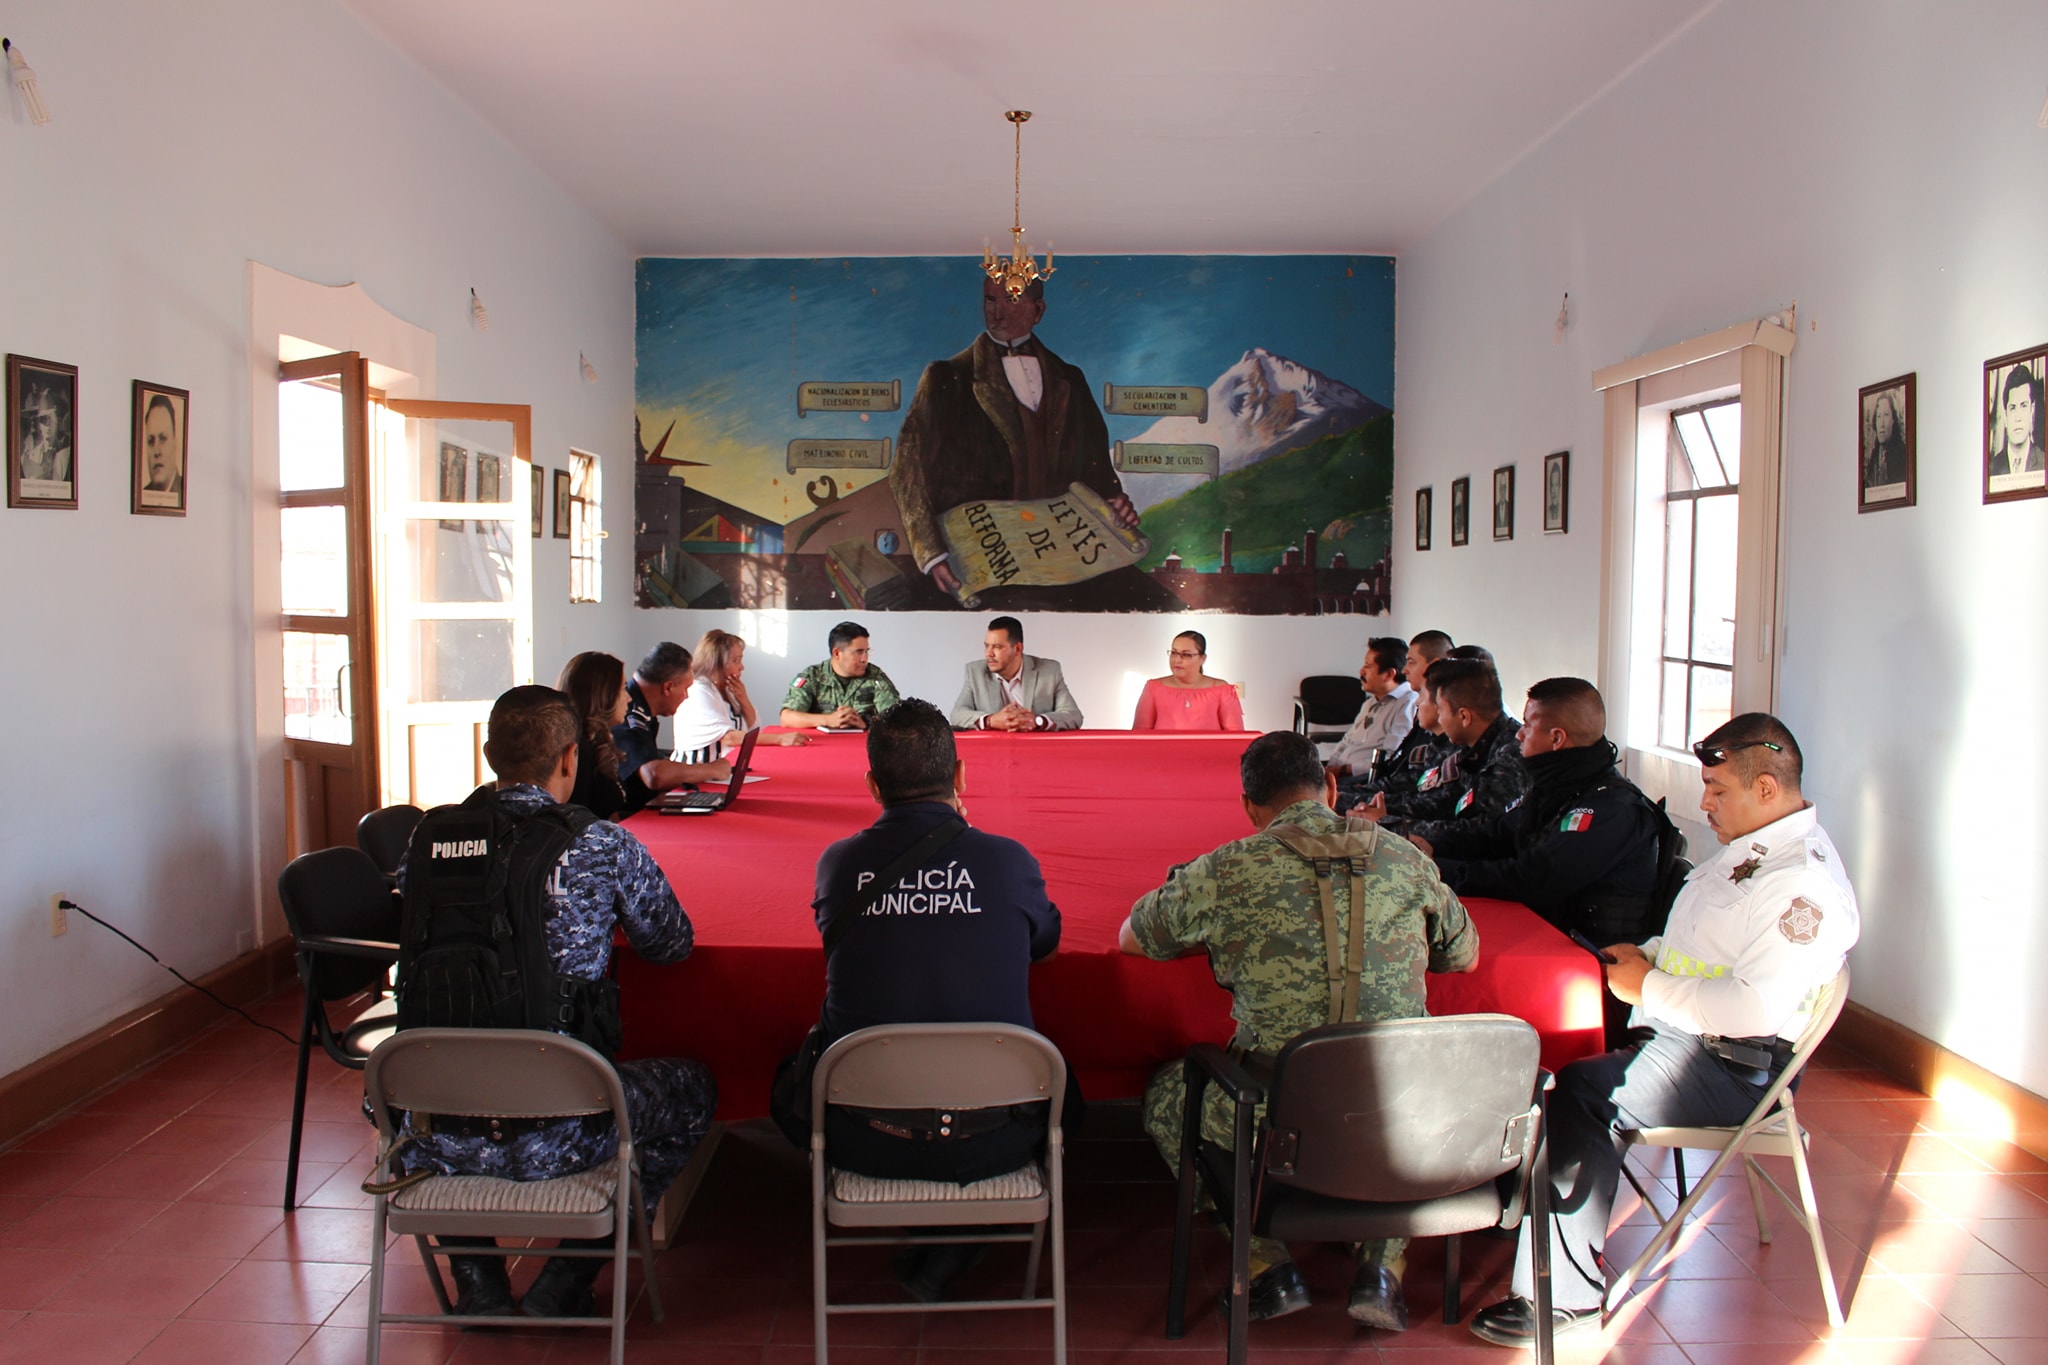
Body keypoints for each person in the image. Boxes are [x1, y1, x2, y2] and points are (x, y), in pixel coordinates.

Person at [1468, 714, 1859, 1348]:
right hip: (1686, 1033)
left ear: (1766, 788)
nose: (1704, 802)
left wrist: (1647, 987)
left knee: (1579, 1093)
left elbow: (1753, 1010)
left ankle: (1561, 1298)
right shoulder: (1755, 848)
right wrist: (1647, 954)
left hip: (1732, 1066)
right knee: (1533, 1046)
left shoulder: (1801, 884)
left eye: (1718, 790)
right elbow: (1704, 943)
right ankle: (1524, 1210)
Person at [1119, 731, 1478, 1331]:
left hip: (1276, 1120)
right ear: (1331, 787)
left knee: (1166, 1097)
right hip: (1406, 1108)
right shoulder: (1406, 859)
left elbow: (1133, 938)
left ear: (1249, 808)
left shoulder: (1228, 868)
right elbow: (1463, 956)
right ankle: (1382, 1266)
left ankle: (1266, 1265)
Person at [394, 685, 717, 1319]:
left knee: (395, 1089)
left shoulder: (425, 845)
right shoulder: (599, 845)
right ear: (569, 758)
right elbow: (672, 944)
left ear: (489, 755)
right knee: (695, 1090)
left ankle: (477, 1273)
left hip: (429, 1124)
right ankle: (573, 1272)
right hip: (564, 1127)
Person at [800, 698, 1062, 1300]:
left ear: (871, 785)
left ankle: (947, 1238)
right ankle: (959, 1236)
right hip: (997, 1133)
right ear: (962, 776)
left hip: (863, 1130)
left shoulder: (838, 865)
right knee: (1067, 1102)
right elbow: (1043, 944)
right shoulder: (1007, 861)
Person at [1413, 678, 1668, 1042]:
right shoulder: (1558, 788)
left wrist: (1440, 872)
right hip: (1545, 936)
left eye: (1528, 725)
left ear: (1557, 739)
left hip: (1587, 968)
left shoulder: (1612, 809)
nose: (1518, 735)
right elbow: (1498, 835)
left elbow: (1533, 879)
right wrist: (1430, 847)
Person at [888, 274, 1145, 602]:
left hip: (1063, 560)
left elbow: (1097, 469)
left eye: (1010, 300)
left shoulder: (1072, 379)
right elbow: (906, 471)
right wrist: (932, 553)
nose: (996, 313)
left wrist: (1113, 503)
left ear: (1038, 310)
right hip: (982, 559)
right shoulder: (946, 377)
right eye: (989, 300)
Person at [1352, 658, 1529, 841]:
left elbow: (1482, 834)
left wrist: (1390, 824)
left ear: (1464, 717)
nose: (1440, 719)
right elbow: (1445, 802)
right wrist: (1377, 810)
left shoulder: (1509, 755)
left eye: (1441, 710)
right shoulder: (1472, 747)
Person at [612, 642, 731, 814]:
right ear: (668, 687)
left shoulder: (641, 707)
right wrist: (711, 769)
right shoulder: (629, 713)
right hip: (632, 819)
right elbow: (653, 775)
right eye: (686, 688)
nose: (686, 696)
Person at [671, 628, 812, 761]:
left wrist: (743, 700)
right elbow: (729, 738)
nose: (742, 667)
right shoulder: (698, 691)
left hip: (725, 768)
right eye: (736, 660)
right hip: (697, 771)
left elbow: (754, 730)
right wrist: (779, 739)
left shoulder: (727, 688)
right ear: (717, 663)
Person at [949, 615, 1083, 730]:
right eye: (986, 646)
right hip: (994, 753)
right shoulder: (975, 672)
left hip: (1036, 752)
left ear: (1018, 649)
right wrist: (991, 720)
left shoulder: (1049, 671)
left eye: (997, 647)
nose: (988, 654)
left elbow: (1073, 715)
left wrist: (1037, 721)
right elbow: (957, 715)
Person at [779, 621, 903, 731]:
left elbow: (898, 719)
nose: (865, 659)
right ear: (837, 653)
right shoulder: (812, 676)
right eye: (859, 652)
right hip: (821, 748)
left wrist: (866, 723)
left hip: (863, 748)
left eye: (867, 651)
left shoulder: (875, 677)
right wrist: (828, 720)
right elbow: (787, 718)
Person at [1323, 636, 1416, 775]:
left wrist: (1342, 771)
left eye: (1368, 666)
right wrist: (1328, 771)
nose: (1361, 671)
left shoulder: (1407, 704)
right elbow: (1346, 742)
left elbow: (1391, 758)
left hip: (1361, 780)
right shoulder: (1370, 702)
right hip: (1339, 775)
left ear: (1389, 674)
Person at [555, 650, 631, 819]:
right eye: (624, 689)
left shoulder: (597, 740)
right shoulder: (579, 751)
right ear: (603, 695)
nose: (629, 698)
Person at [1132, 630, 1245, 731]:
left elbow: (1235, 736)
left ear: (1202, 658)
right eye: (1174, 653)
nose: (1177, 660)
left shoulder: (1221, 689)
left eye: (1186, 655)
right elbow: (1140, 735)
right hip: (1162, 754)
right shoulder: (1153, 687)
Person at [1989, 363, 2044, 477]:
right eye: (2012, 408)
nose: (2018, 417)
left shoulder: (2044, 463)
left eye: (2023, 406)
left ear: (2032, 410)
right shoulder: (1991, 468)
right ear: (2005, 416)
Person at [17, 383, 71, 484]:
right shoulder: (30, 452)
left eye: (49, 419)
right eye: (42, 420)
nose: (47, 425)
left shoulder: (66, 450)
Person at [1864, 388, 1908, 489]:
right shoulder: (1874, 458)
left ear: (1893, 420)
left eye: (1886, 415)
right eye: (1879, 416)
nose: (1881, 424)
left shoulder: (1902, 455)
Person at [140, 392, 182, 494]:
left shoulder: (189, 491)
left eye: (163, 438)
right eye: (151, 441)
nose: (157, 451)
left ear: (174, 443)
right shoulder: (142, 494)